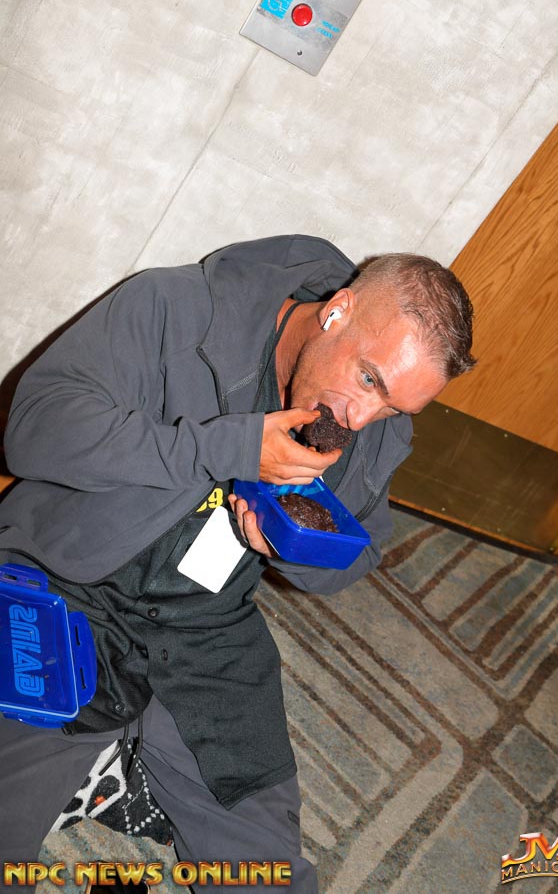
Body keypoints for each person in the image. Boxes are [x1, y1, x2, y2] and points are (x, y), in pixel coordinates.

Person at [0, 234, 475, 891]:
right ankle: (113, 764)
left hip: (207, 629)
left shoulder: (375, 421)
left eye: (395, 406)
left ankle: (118, 765)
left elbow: (362, 550)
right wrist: (229, 448)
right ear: (337, 311)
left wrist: (298, 551)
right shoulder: (175, 307)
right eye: (370, 380)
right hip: (63, 577)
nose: (364, 416)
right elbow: (36, 431)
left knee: (266, 874)